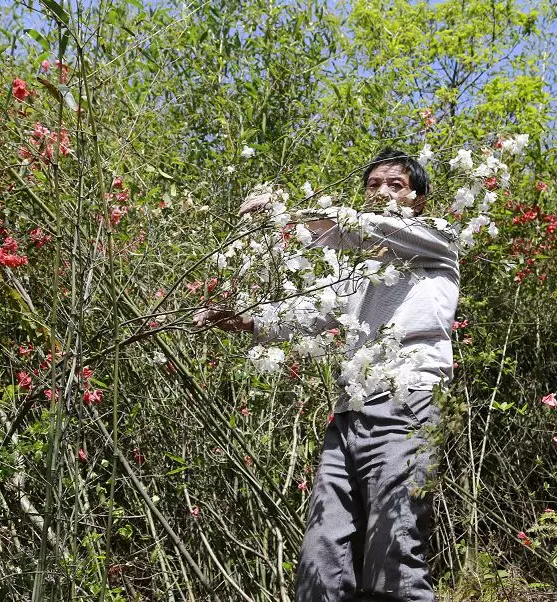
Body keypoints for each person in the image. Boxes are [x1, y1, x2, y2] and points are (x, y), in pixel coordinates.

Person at [194, 148, 460, 601]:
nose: (381, 193)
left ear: (418, 199)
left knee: (394, 550)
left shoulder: (435, 237)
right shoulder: (356, 268)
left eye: (395, 185)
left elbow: (370, 229)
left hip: (408, 401)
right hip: (350, 413)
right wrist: (246, 319)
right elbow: (314, 312)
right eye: (373, 185)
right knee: (323, 558)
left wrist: (290, 212)